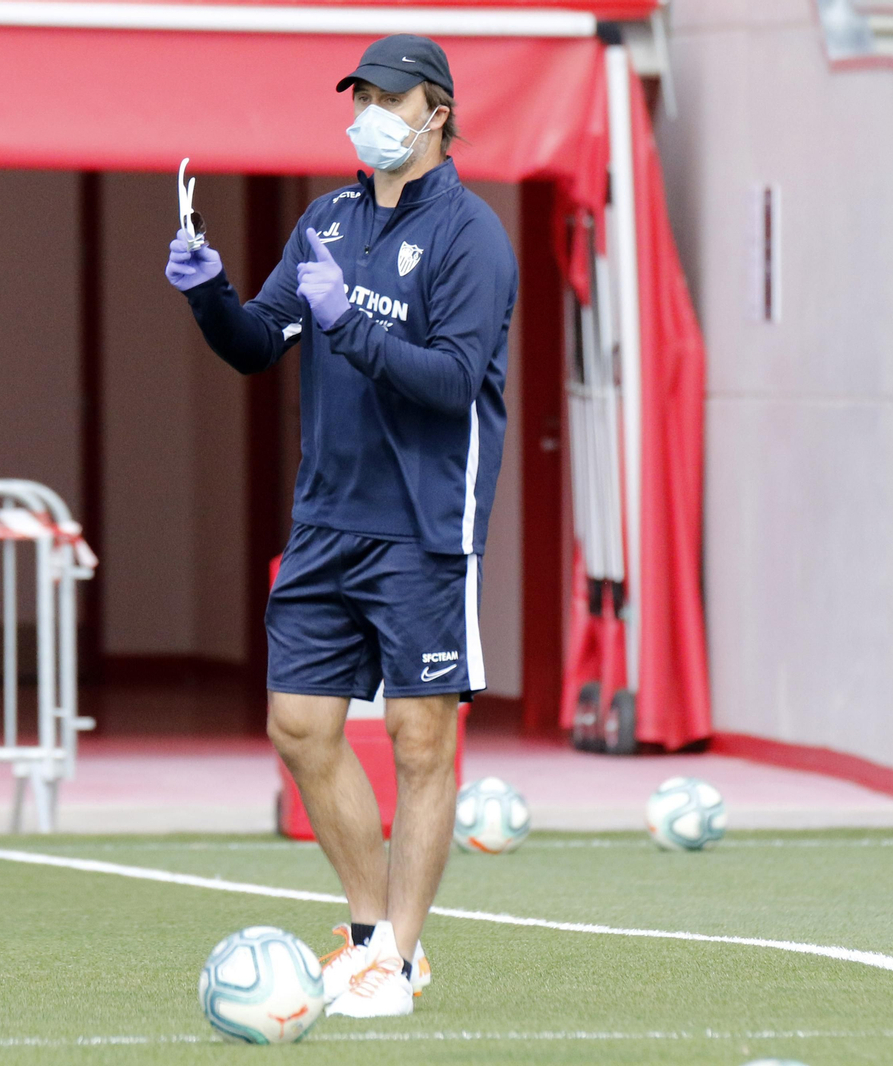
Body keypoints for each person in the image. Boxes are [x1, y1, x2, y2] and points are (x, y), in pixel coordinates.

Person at [164, 34, 517, 1016]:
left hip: (422, 520)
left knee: (417, 737)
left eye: (388, 98)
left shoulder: (470, 235)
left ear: (435, 111)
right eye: (359, 96)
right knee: (301, 725)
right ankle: (369, 937)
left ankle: (398, 961)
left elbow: (450, 382)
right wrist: (206, 292)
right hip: (325, 514)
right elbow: (255, 344)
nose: (369, 114)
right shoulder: (325, 220)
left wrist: (351, 324)